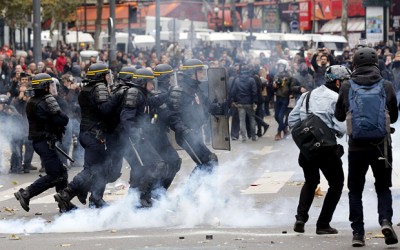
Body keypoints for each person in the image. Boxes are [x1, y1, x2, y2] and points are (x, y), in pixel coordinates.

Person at [335, 47, 399, 247]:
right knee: (383, 187)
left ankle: (358, 234)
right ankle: (386, 221)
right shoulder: (386, 86)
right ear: (376, 64)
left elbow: (338, 116)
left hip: (356, 148)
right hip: (382, 146)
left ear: (354, 65)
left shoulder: (347, 86)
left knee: (355, 190)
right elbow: (395, 117)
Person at [288, 65, 350, 235]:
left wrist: (307, 135)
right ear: (338, 82)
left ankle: (300, 219)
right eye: (345, 82)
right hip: (326, 149)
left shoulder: (307, 95)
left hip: (307, 148)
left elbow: (292, 119)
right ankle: (323, 224)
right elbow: (342, 128)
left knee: (311, 181)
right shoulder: (336, 98)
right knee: (336, 184)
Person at [54, 63, 117, 211]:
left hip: (87, 133)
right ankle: (67, 193)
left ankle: (95, 198)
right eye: (106, 75)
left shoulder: (86, 89)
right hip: (94, 134)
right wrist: (116, 98)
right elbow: (106, 110)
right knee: (91, 170)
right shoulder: (99, 88)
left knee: (101, 168)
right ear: (101, 76)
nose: (108, 78)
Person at [14, 73, 70, 212]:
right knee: (55, 175)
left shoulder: (33, 100)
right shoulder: (46, 100)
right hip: (44, 142)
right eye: (49, 85)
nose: (51, 87)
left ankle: (64, 202)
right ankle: (26, 193)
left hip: (41, 141)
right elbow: (62, 119)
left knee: (61, 172)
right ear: (45, 86)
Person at [168, 58, 223, 174]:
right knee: (208, 161)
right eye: (199, 71)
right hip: (186, 135)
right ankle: (188, 192)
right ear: (191, 73)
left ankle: (204, 191)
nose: (202, 74)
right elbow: (173, 116)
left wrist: (220, 107)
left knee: (209, 162)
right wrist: (184, 131)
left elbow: (207, 105)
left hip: (196, 132)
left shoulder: (195, 89)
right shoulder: (179, 91)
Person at [272, 59, 293, 141]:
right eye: (279, 66)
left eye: (282, 66)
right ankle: (284, 128)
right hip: (277, 97)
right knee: (276, 116)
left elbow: (292, 86)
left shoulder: (289, 76)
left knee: (281, 116)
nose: (280, 67)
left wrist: (291, 94)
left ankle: (278, 132)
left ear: (285, 67)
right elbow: (273, 88)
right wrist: (273, 86)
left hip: (285, 98)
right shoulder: (276, 75)